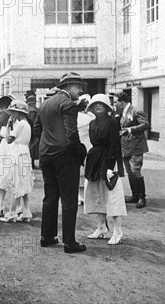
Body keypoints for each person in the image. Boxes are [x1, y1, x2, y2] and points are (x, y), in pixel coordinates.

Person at [33, 72, 88, 253]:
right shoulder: (68, 104)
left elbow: (37, 129)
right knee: (69, 199)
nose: (80, 91)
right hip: (65, 157)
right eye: (78, 86)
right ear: (68, 87)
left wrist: (49, 142)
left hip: (46, 156)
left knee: (50, 197)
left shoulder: (46, 104)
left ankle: (47, 237)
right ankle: (69, 242)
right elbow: (72, 134)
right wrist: (80, 151)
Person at [83, 94, 127, 245]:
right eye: (95, 104)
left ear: (107, 106)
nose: (98, 106)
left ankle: (118, 231)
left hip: (110, 160)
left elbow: (115, 145)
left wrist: (110, 167)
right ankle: (101, 227)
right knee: (97, 194)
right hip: (95, 160)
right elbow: (94, 143)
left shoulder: (113, 123)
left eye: (101, 104)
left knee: (113, 195)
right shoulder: (92, 124)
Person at [0, 101, 34, 223]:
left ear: (19, 112)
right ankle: (26, 211)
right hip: (25, 153)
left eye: (14, 112)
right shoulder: (26, 124)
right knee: (24, 182)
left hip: (18, 154)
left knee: (17, 183)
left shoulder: (21, 124)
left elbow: (9, 139)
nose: (12, 115)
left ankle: (11, 213)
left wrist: (7, 127)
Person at [113, 91, 150, 208]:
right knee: (129, 172)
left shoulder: (136, 111)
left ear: (122, 102)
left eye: (116, 102)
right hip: (126, 147)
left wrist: (129, 130)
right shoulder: (121, 112)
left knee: (135, 170)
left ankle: (142, 197)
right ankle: (135, 195)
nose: (115, 104)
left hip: (136, 147)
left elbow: (145, 125)